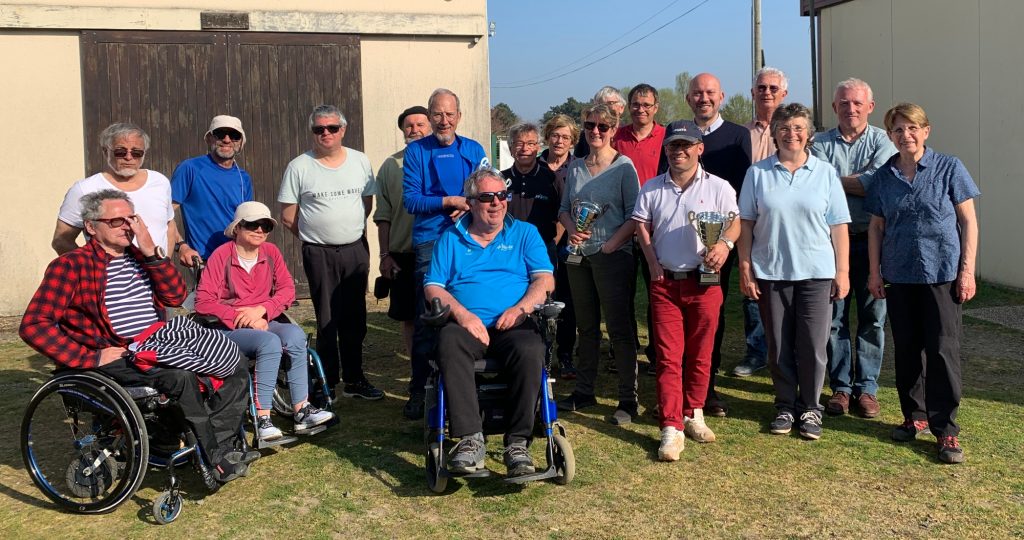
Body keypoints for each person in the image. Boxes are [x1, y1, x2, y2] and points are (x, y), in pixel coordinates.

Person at [21, 189, 252, 483]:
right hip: (115, 352)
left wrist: (150, 252)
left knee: (233, 360)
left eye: (131, 219)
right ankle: (213, 457)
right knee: (179, 377)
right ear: (91, 227)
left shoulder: (141, 257)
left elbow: (176, 296)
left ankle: (219, 444)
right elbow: (34, 325)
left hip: (157, 340)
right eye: (116, 221)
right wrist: (90, 357)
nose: (126, 227)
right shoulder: (71, 265)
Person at [866, 102, 979, 464]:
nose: (906, 135)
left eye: (912, 128)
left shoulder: (950, 167)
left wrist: (967, 271)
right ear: (890, 136)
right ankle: (914, 416)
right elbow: (876, 227)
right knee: (908, 348)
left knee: (942, 350)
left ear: (926, 131)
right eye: (898, 130)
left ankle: (945, 428)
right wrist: (874, 272)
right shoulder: (884, 176)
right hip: (899, 275)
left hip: (941, 274)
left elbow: (968, 222)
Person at [425, 168, 554, 478]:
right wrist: (463, 315)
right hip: (467, 326)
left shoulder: (525, 233)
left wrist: (521, 308)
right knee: (448, 341)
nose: (496, 203)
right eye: (487, 197)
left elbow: (545, 279)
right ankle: (470, 439)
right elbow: (433, 287)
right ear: (470, 202)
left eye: (502, 195)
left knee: (531, 349)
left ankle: (518, 443)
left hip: (514, 323)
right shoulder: (450, 238)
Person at [737, 103, 850, 441]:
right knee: (779, 344)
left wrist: (842, 272)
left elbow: (839, 226)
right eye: (784, 128)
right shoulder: (757, 173)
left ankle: (811, 407)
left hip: (816, 273)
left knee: (813, 344)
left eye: (799, 127)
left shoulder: (825, 173)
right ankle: (786, 405)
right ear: (774, 133)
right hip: (772, 271)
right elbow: (746, 223)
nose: (792, 134)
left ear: (809, 134)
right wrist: (745, 267)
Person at [633, 120, 738, 461]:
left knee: (701, 353)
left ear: (699, 149)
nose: (679, 151)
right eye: (673, 146)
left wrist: (724, 244)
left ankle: (693, 411)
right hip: (665, 283)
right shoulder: (651, 187)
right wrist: (651, 261)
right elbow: (641, 225)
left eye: (686, 145)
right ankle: (670, 425)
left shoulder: (719, 187)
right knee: (668, 356)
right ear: (666, 149)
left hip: (705, 282)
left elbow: (735, 222)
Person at [195, 201, 335, 440]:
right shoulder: (222, 256)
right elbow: (203, 302)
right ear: (238, 228)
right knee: (268, 342)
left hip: (264, 319)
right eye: (253, 224)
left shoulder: (271, 252)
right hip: (229, 327)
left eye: (266, 226)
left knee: (296, 335)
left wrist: (261, 310)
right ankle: (263, 418)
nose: (260, 230)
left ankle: (302, 409)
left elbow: (287, 290)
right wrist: (242, 318)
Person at [662, 73, 753, 417]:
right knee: (674, 321)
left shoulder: (737, 136)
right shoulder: (676, 134)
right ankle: (674, 390)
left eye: (710, 92)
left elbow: (742, 194)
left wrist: (726, 243)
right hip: (679, 248)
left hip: (717, 249)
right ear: (689, 98)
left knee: (710, 320)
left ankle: (706, 388)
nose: (704, 98)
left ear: (721, 96)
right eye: (697, 93)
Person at [278, 105, 383, 401]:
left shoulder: (360, 161)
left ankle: (354, 379)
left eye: (332, 128)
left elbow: (366, 204)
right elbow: (288, 216)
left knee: (355, 317)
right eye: (319, 129)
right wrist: (317, 237)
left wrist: (345, 230)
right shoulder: (299, 166)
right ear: (312, 132)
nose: (326, 133)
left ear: (343, 130)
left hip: (354, 250)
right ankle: (327, 384)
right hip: (319, 253)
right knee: (326, 318)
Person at [811, 78, 898, 419]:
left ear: (870, 107)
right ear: (835, 107)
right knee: (833, 318)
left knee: (872, 318)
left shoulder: (883, 141)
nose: (851, 108)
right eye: (844, 103)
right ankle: (841, 388)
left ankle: (867, 389)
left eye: (857, 103)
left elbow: (875, 184)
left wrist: (834, 179)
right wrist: (858, 180)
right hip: (830, 245)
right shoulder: (819, 142)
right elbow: (815, 185)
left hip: (872, 242)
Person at [403, 88, 489, 408]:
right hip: (431, 241)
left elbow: (487, 192)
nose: (444, 121)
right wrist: (450, 201)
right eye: (437, 114)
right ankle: (420, 390)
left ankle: (470, 382)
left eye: (449, 114)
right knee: (430, 316)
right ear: (429, 117)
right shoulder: (416, 152)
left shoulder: (474, 149)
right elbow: (412, 200)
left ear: (459, 116)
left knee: (471, 307)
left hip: (469, 239)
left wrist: (469, 206)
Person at [556, 103, 641, 426]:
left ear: (614, 129)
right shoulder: (577, 166)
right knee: (586, 327)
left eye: (603, 127)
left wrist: (612, 244)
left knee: (619, 328)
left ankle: (628, 399)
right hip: (578, 257)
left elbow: (635, 215)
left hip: (613, 256)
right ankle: (584, 390)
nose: (595, 131)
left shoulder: (624, 167)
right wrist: (571, 229)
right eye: (590, 125)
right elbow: (564, 209)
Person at [731, 68, 790, 377]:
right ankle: (757, 352)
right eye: (761, 87)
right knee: (751, 286)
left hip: (786, 222)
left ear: (784, 94)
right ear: (752, 93)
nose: (767, 92)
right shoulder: (741, 134)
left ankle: (787, 350)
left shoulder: (796, 132)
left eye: (773, 88)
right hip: (751, 219)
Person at [374, 105, 432, 419]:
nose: (415, 130)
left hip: (438, 253)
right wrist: (385, 255)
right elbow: (382, 215)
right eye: (409, 125)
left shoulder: (440, 159)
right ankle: (417, 372)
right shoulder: (390, 166)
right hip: (403, 254)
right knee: (410, 317)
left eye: (420, 124)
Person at [52, 123, 179, 255]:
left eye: (136, 153)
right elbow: (61, 241)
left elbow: (169, 225)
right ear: (105, 152)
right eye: (120, 152)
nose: (128, 157)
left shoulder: (160, 182)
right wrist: (89, 265)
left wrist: (166, 262)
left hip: (158, 267)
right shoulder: (84, 189)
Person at [615, 83, 667, 371]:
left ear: (656, 108)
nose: (641, 109)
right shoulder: (617, 137)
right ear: (629, 106)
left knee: (656, 292)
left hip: (655, 228)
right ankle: (625, 351)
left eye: (647, 105)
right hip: (621, 227)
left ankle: (658, 353)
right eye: (636, 104)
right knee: (621, 294)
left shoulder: (666, 136)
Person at [171, 115, 253, 265]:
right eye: (220, 134)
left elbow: (247, 221)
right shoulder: (190, 168)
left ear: (241, 142)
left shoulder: (244, 178)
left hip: (237, 258)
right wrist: (181, 246)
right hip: (204, 259)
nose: (227, 140)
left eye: (234, 135)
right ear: (209, 139)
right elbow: (165, 213)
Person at [540, 114, 581, 379]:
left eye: (566, 137)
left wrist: (562, 236)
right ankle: (542, 354)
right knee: (540, 299)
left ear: (573, 141)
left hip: (569, 244)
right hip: (539, 244)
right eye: (555, 135)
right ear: (547, 136)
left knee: (568, 300)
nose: (559, 141)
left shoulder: (578, 168)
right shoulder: (535, 165)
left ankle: (566, 355)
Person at [573, 86, 627, 158]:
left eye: (610, 103)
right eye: (600, 105)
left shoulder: (628, 135)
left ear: (621, 108)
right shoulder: (586, 135)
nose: (605, 108)